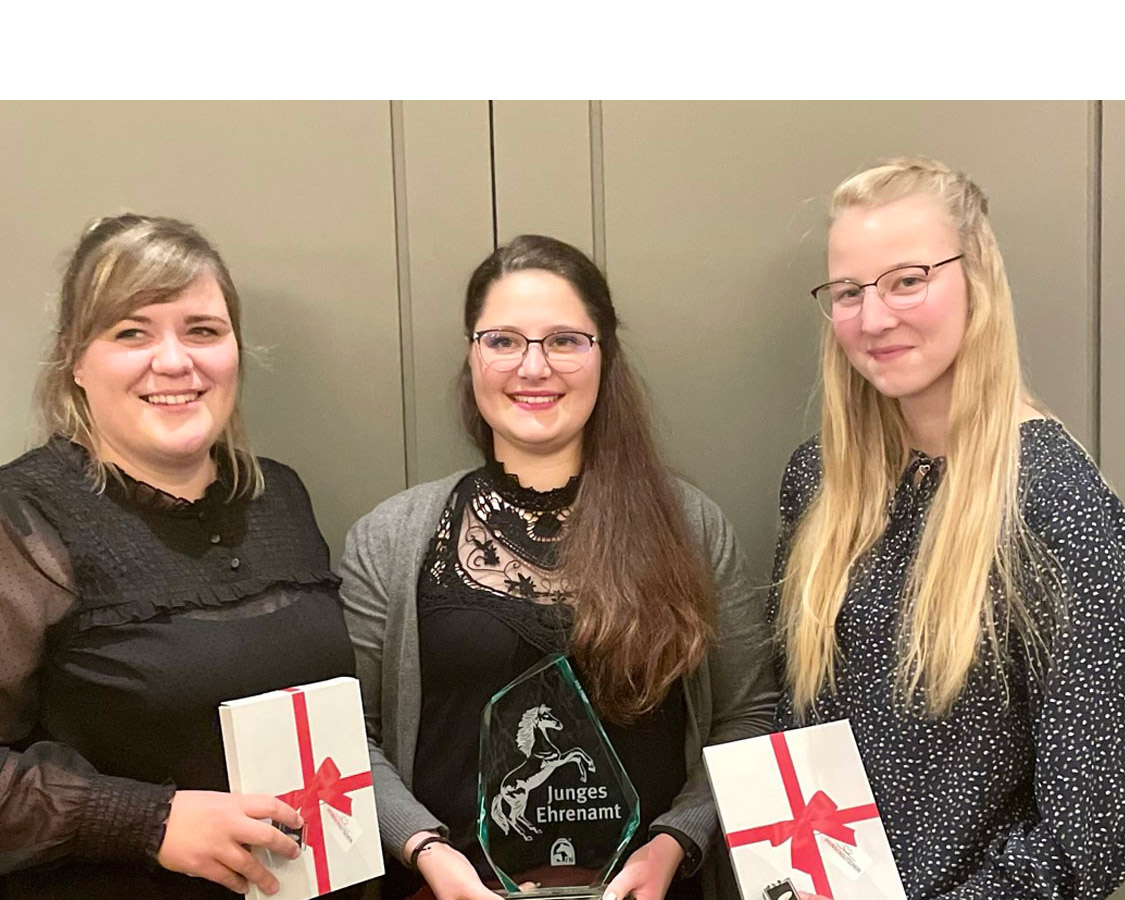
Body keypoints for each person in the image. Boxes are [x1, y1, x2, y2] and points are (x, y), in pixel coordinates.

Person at [340, 234, 777, 900]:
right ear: (472, 356)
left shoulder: (690, 526)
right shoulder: (390, 537)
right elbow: (352, 734)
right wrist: (425, 850)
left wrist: (675, 841)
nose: (533, 367)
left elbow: (748, 715)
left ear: (605, 357)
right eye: (504, 340)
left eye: (565, 340)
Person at [771, 158, 1125, 899]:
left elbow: (1086, 832)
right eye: (848, 292)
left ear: (978, 281)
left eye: (907, 280)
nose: (872, 318)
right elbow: (792, 725)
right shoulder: (819, 483)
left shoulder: (1058, 503)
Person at [0, 215, 362, 899]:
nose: (174, 361)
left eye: (202, 329)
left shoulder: (278, 495)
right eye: (131, 332)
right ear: (75, 359)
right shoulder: (21, 520)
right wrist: (150, 821)